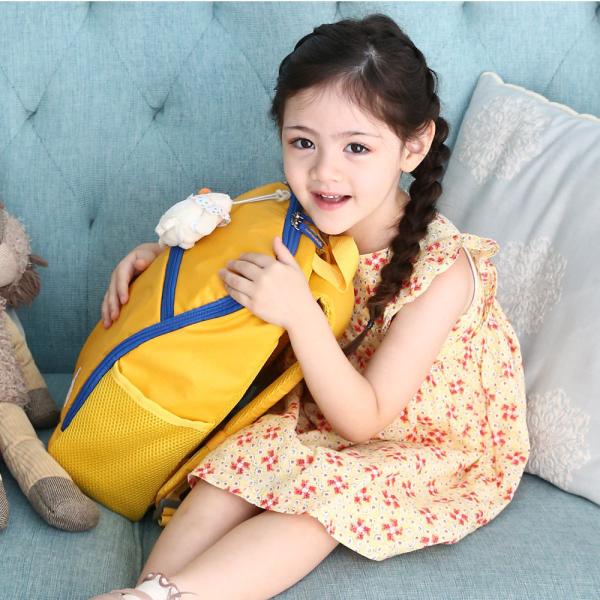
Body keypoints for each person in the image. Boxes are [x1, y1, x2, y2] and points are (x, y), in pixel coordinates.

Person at [92, 13, 530, 600]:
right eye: (303, 143)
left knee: (320, 499)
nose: (324, 172)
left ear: (413, 145)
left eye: (357, 147)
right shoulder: (290, 218)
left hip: (414, 441)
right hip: (316, 414)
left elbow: (367, 420)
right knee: (229, 475)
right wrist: (159, 265)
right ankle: (149, 592)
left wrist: (299, 314)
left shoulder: (443, 273)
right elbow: (223, 271)